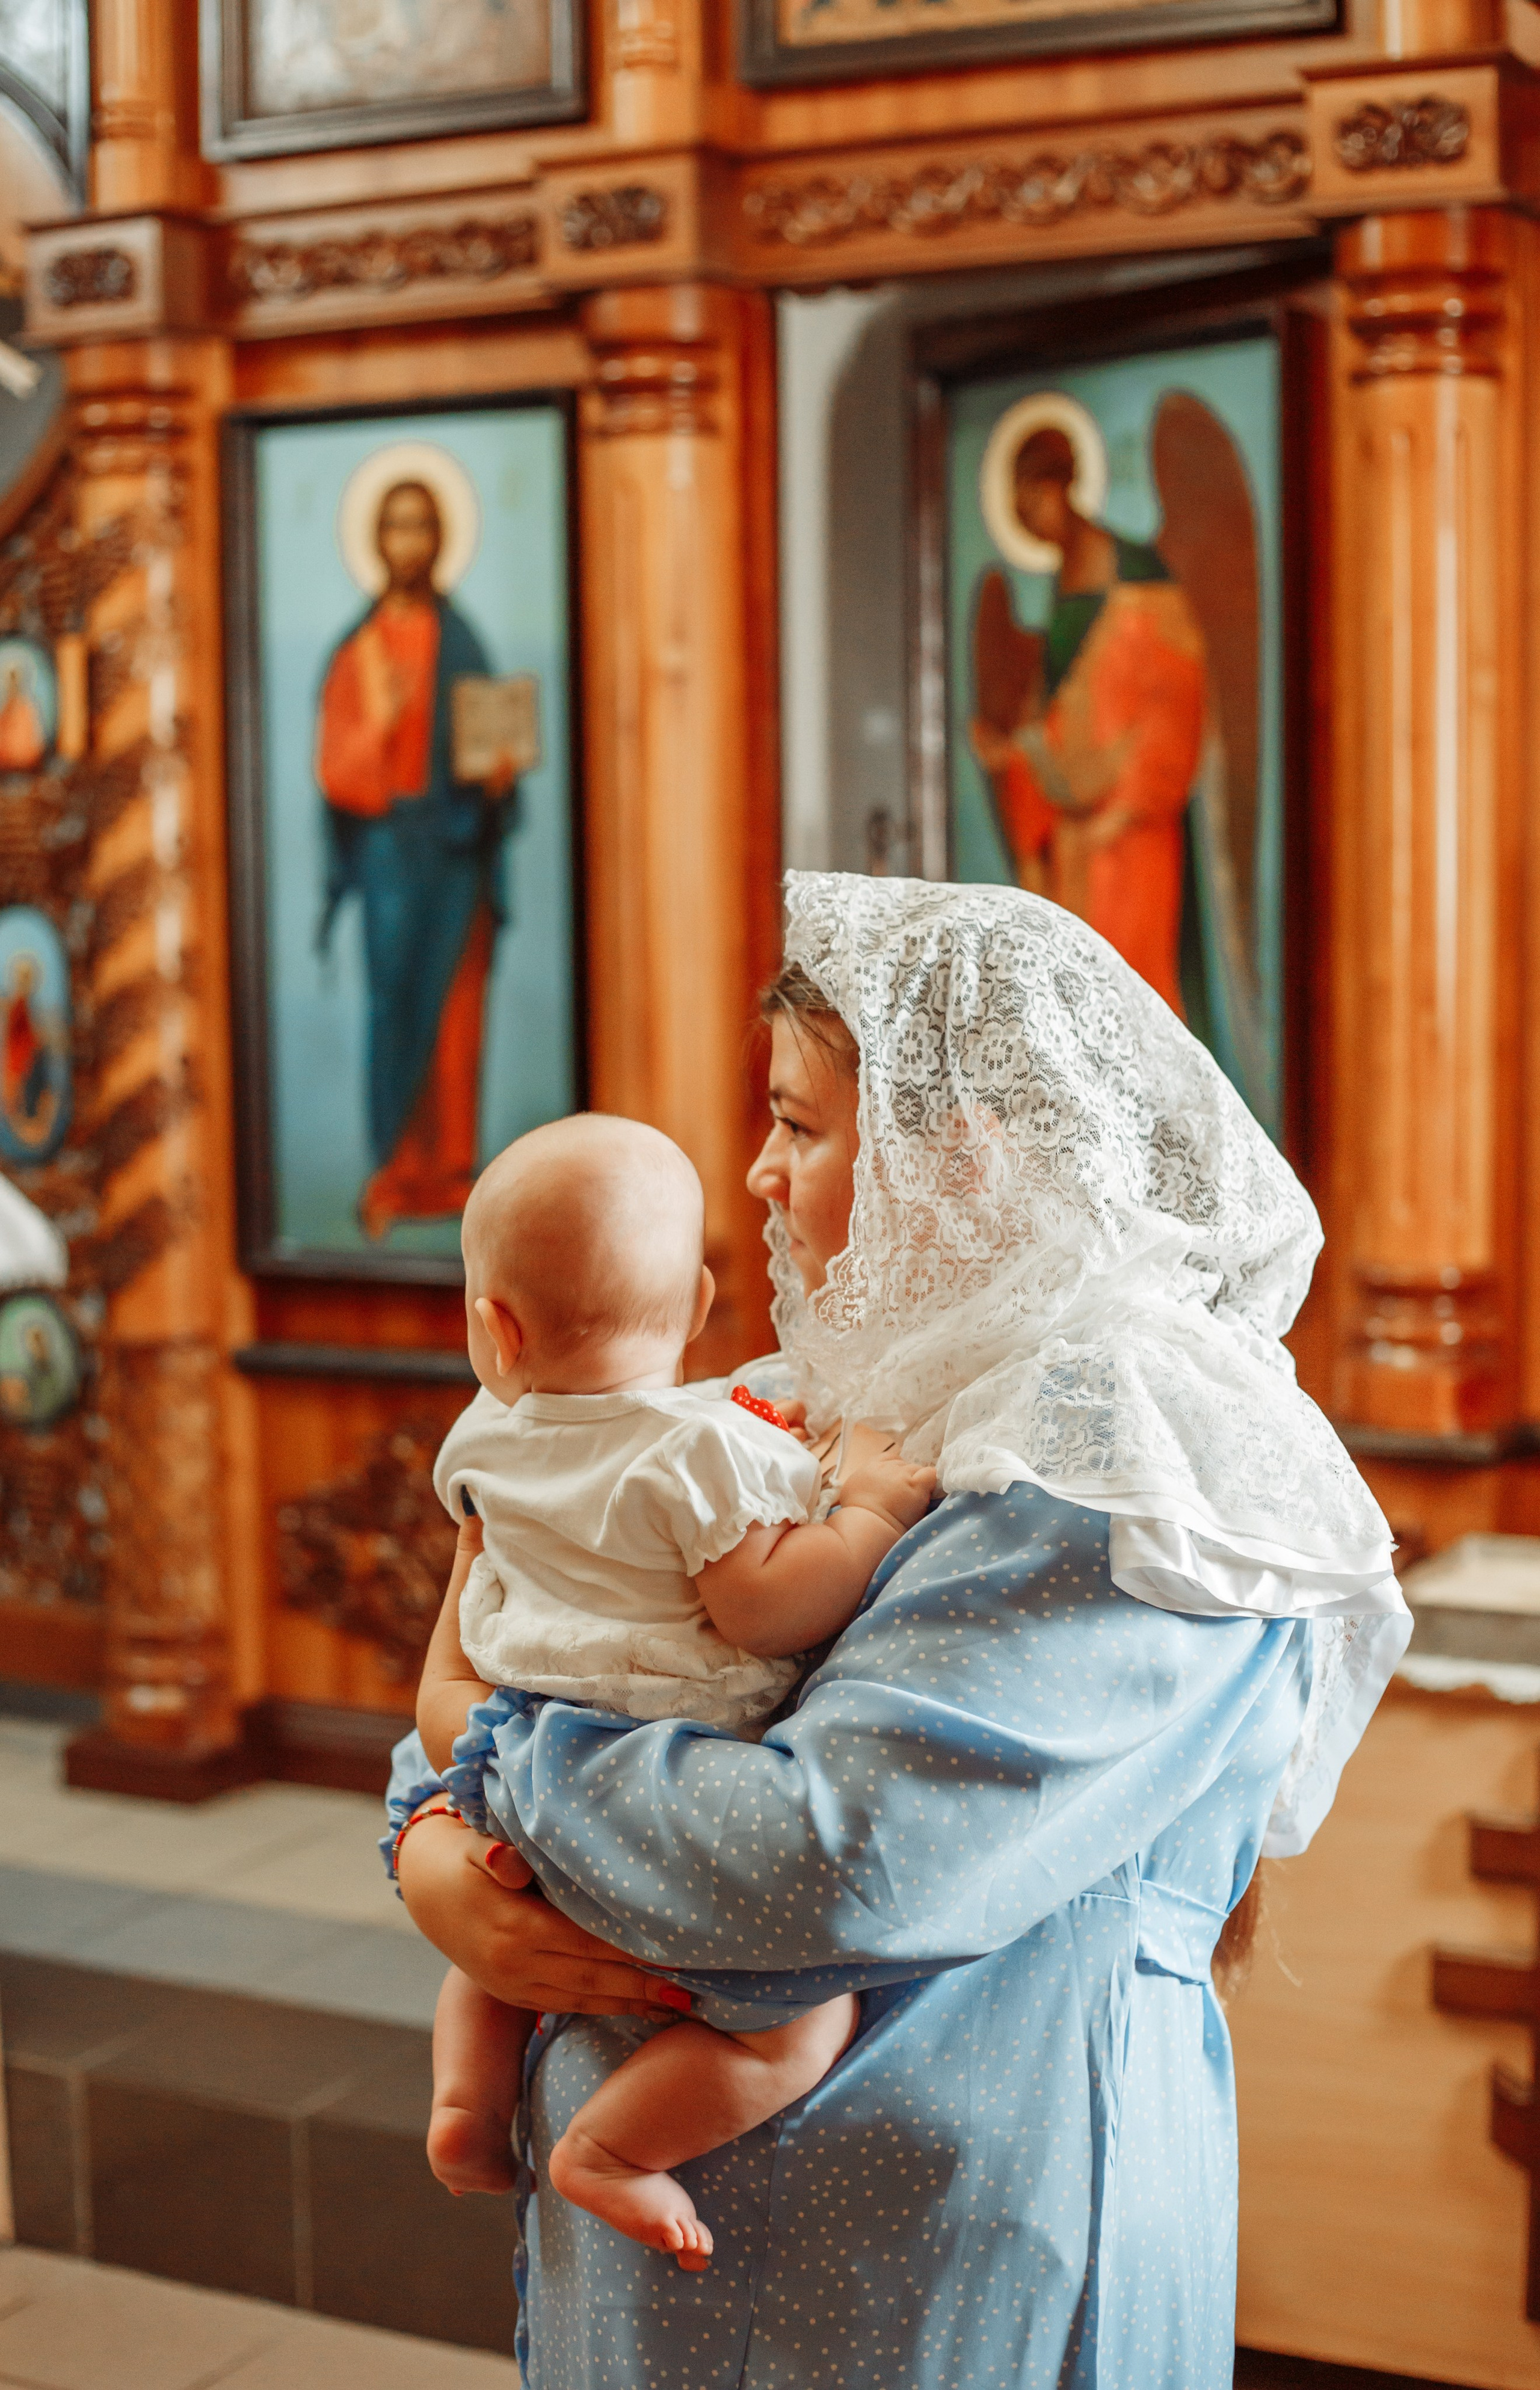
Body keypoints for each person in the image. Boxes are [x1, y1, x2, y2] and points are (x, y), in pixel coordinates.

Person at [388, 872, 1411, 2389]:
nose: (755, 1172)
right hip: (707, 2261)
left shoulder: (1133, 1461)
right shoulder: (844, 1392)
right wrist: (432, 1859)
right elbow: (564, 1636)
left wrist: (481, 1752)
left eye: (800, 1124)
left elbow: (821, 1856)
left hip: (931, 2264)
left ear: (963, 1146)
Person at [411, 1112, 934, 2267]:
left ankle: (463, 2096)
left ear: (496, 1329)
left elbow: (453, 1675)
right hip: (675, 1775)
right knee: (797, 2025)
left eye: (795, 1119)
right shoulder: (710, 1454)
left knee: (495, 1949)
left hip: (518, 1760)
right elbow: (766, 1604)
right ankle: (609, 2151)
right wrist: (869, 1514)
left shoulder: (484, 1444)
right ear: (700, 1307)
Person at [315, 479, 516, 1240]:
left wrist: (496, 774)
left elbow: (487, 743)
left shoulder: (460, 640)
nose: (408, 542)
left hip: (458, 851)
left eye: (422, 527)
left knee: (456, 1016)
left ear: (438, 539)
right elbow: (336, 769)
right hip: (393, 856)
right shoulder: (358, 650)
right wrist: (385, 723)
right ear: (376, 539)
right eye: (395, 527)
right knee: (397, 1010)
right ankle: (397, 1172)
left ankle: (454, 1173)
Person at [970, 425, 1205, 1014]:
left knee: (1136, 1006)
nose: (1029, 526)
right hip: (1077, 848)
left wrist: (1121, 800)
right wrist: (1013, 754)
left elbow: (1173, 704)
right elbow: (1059, 717)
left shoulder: (1139, 577)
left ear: (1058, 489)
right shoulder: (1063, 584)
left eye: (1031, 508)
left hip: (1132, 837)